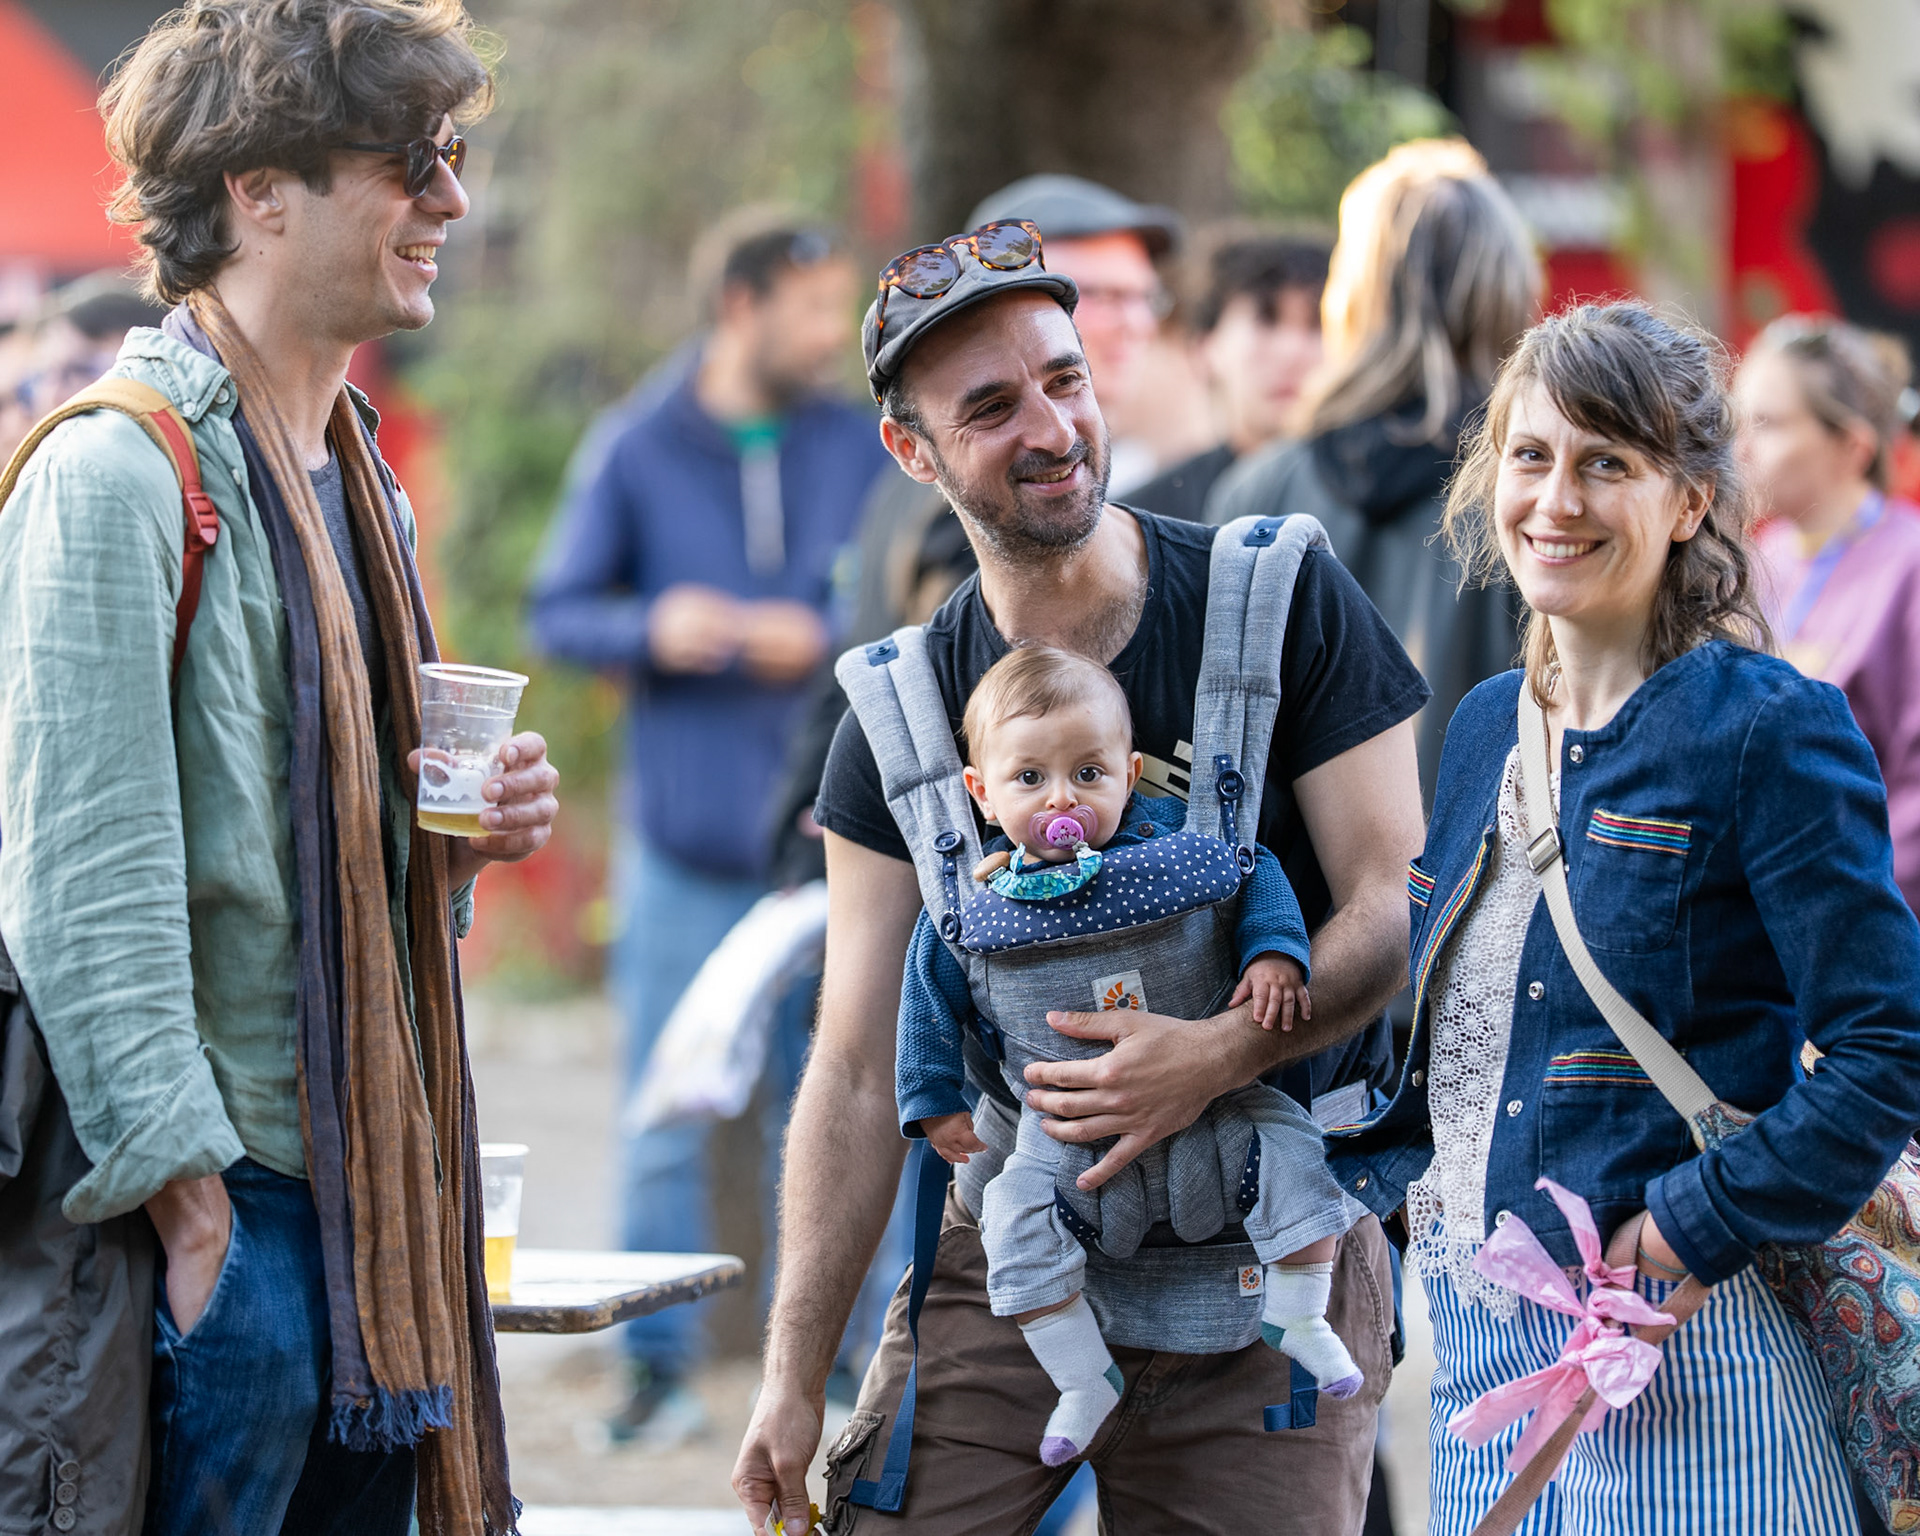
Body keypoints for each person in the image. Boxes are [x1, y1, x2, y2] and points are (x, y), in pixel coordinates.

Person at [734, 215, 1430, 1535]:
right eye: (991, 407)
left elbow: (1396, 901)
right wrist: (786, 1378)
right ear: (912, 449)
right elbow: (854, 1067)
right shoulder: (894, 716)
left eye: (1065, 379)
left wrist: (1218, 1054)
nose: (1050, 428)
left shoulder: (1280, 600)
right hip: (1022, 1242)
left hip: (1265, 1239)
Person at [0, 3, 560, 1533]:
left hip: (373, 1188)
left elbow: (353, 877)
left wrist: (452, 842)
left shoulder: (357, 479)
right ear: (258, 192)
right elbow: (79, 890)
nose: (451, 201)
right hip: (223, 1207)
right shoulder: (116, 475)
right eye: (410, 163)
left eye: (452, 159)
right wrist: (196, 1229)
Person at [1334, 302, 1920, 1533]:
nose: (1558, 499)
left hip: (1691, 1347)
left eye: (1609, 463)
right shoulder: (1489, 722)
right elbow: (1465, 1037)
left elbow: (1886, 1054)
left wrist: (1684, 1234)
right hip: (1487, 1355)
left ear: (1691, 500)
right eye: (1534, 456)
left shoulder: (1765, 726)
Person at [527, 207, 890, 1442]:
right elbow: (560, 609)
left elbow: (914, 592)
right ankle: (655, 1375)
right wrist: (653, 627)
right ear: (740, 305)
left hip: (833, 850)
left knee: (845, 1105)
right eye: (808, 306)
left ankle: (856, 1375)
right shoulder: (634, 445)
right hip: (681, 851)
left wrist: (824, 642)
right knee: (668, 1113)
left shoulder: (862, 445)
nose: (831, 333)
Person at [897, 644, 1361, 1467]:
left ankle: (1301, 1308)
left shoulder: (1175, 850)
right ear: (981, 791)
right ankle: (1082, 1374)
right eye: (1029, 778)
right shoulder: (974, 900)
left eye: (1088, 773)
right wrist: (932, 1098)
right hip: (1061, 1130)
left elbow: (1256, 874)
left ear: (1131, 771)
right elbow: (928, 996)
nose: (1061, 798)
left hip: (1215, 1103)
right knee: (1010, 1217)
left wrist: (1273, 955)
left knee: (1300, 1152)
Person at [1211, 140, 1541, 803]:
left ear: (1353, 292)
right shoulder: (1541, 494)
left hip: (1295, 901)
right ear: (1507, 286)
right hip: (1479, 884)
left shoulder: (1256, 493)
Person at [1737, 314, 1920, 912]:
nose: (1740, 446)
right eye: (1737, 420)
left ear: (1852, 445)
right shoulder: (1763, 558)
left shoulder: (1908, 566)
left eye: (1766, 423)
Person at [1130, 228, 1331, 524]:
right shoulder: (1148, 520)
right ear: (1204, 346)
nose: (1292, 351)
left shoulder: (1381, 499)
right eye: (1267, 321)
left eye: (1317, 324)